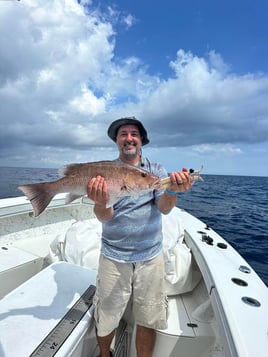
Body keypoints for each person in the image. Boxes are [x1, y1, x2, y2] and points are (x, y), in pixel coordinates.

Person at [87, 116, 192, 357]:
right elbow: (104, 216)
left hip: (150, 257)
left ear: (141, 140)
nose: (129, 138)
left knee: (148, 317)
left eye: (133, 133)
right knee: (107, 315)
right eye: (123, 134)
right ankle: (105, 355)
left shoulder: (155, 171)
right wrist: (101, 201)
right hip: (114, 255)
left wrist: (172, 191)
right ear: (117, 141)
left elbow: (164, 208)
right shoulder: (106, 172)